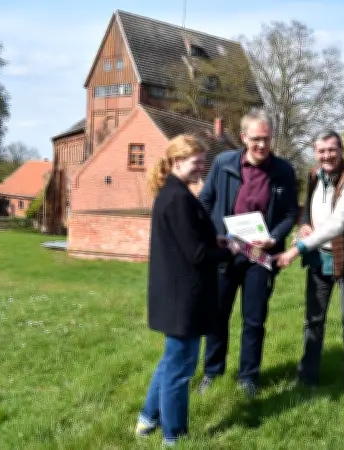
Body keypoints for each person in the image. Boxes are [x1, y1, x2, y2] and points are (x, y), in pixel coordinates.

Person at [135, 134, 245, 445]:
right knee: (180, 370)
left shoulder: (175, 193)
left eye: (203, 162)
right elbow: (196, 255)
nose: (201, 168)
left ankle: (147, 420)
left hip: (176, 295)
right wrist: (230, 251)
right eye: (197, 162)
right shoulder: (177, 198)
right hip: (183, 299)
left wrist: (215, 240)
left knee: (171, 362)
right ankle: (174, 437)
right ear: (176, 161)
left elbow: (189, 240)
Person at [196, 108, 299, 398]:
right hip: (226, 254)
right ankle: (212, 373)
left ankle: (248, 377)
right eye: (256, 139)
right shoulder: (223, 163)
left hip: (260, 257)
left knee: (254, 320)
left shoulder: (283, 171)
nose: (262, 145)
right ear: (243, 137)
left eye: (266, 138)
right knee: (217, 317)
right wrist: (212, 236)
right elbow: (205, 201)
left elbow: (290, 213)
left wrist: (275, 237)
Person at [275, 130, 344, 405]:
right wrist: (304, 222)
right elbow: (308, 207)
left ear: (341, 150)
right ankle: (307, 379)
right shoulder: (314, 174)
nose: (327, 156)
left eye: (331, 150)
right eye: (321, 151)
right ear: (315, 152)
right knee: (313, 321)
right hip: (318, 259)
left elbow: (337, 224)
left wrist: (296, 249)